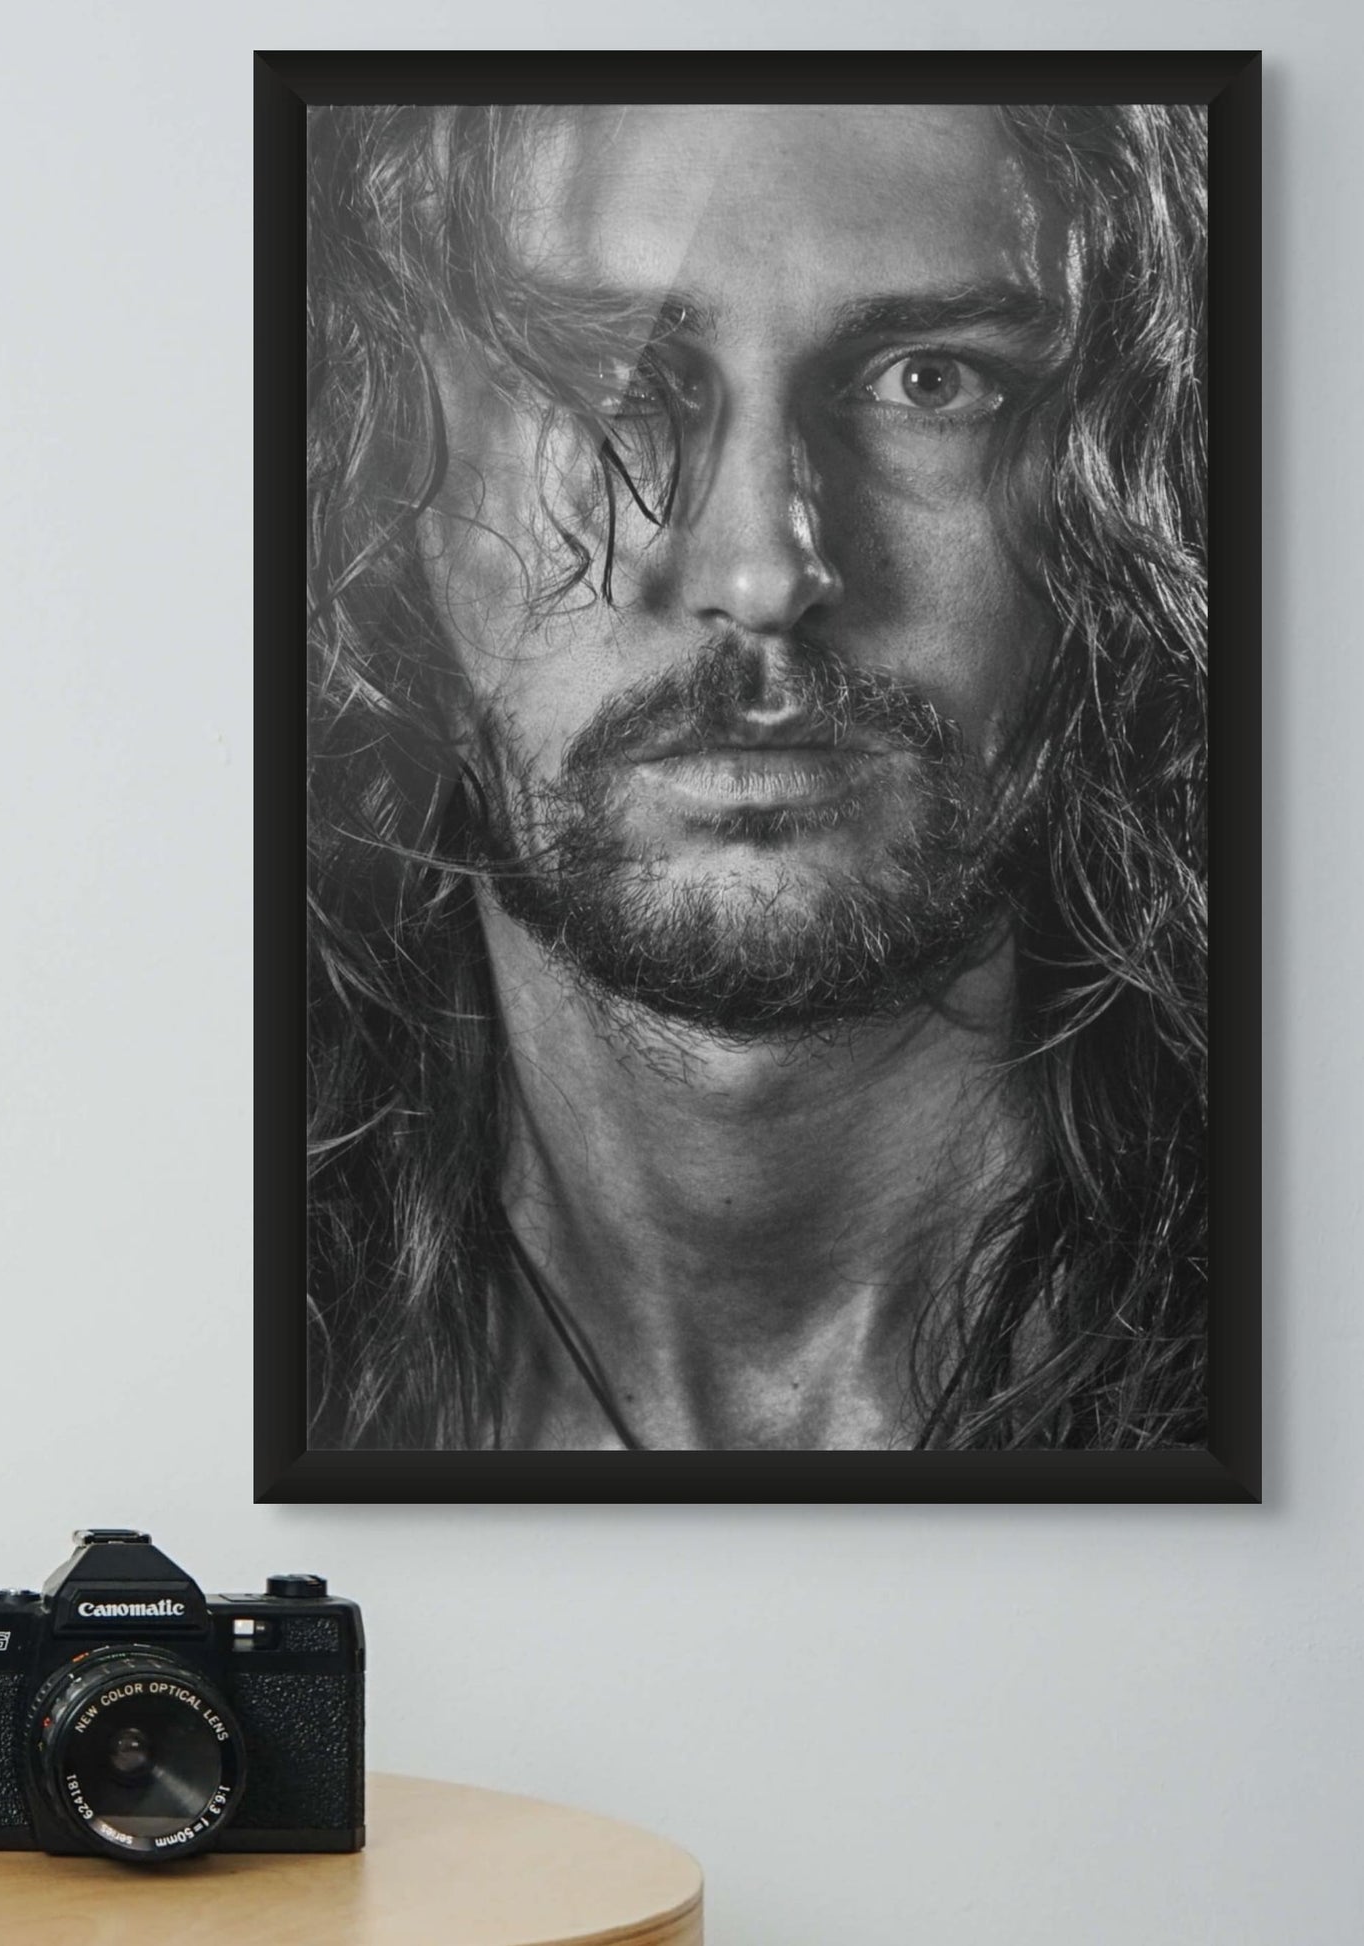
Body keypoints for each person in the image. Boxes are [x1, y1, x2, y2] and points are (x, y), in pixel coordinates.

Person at [304, 102, 1207, 1451]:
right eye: (596, 378)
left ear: (1113, 477)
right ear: (385, 497)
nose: (763, 576)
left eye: (928, 381)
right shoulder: (187, 1350)